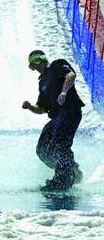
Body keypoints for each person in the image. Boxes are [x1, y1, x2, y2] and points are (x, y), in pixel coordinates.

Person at [22, 50, 84, 191]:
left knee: (59, 143)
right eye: (32, 65)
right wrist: (30, 107)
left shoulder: (57, 65)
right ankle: (72, 170)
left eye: (37, 62)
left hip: (70, 111)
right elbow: (42, 108)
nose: (36, 66)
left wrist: (64, 92)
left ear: (43, 59)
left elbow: (71, 75)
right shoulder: (42, 82)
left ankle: (64, 178)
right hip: (56, 116)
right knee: (42, 149)